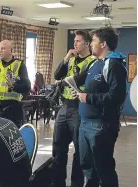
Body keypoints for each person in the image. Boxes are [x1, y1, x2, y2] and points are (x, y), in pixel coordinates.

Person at [71, 27, 127, 187]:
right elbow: (92, 89)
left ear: (103, 44)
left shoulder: (114, 65)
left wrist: (87, 98)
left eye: (93, 41)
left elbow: (116, 97)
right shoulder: (95, 64)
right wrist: (82, 95)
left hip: (101, 125)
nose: (91, 45)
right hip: (85, 123)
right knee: (87, 167)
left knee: (103, 169)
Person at [52, 30, 96, 187]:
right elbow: (57, 75)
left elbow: (76, 79)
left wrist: (64, 82)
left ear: (86, 44)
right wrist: (65, 58)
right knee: (58, 147)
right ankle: (57, 182)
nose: (75, 44)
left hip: (79, 109)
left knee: (79, 150)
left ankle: (76, 183)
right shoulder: (70, 60)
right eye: (74, 41)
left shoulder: (92, 61)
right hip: (64, 107)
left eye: (78, 41)